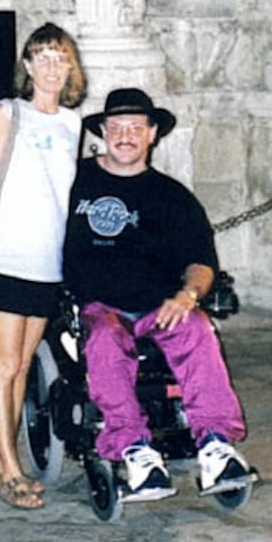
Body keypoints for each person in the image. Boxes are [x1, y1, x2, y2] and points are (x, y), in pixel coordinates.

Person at [62, 87, 251, 502]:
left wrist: (187, 296)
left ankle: (216, 446)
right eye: (117, 127)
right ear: (103, 133)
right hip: (97, 307)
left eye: (135, 127)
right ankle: (135, 450)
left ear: (151, 134)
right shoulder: (73, 179)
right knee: (107, 339)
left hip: (157, 306)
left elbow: (201, 262)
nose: (125, 135)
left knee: (198, 328)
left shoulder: (172, 197)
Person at [0, 23, 85, 510]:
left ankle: (1, 464)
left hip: (47, 263)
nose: (52, 67)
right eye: (43, 58)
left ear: (70, 68)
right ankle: (11, 470)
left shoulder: (74, 123)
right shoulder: (8, 113)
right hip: (7, 257)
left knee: (22, 373)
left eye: (61, 58)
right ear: (28, 67)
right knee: (5, 364)